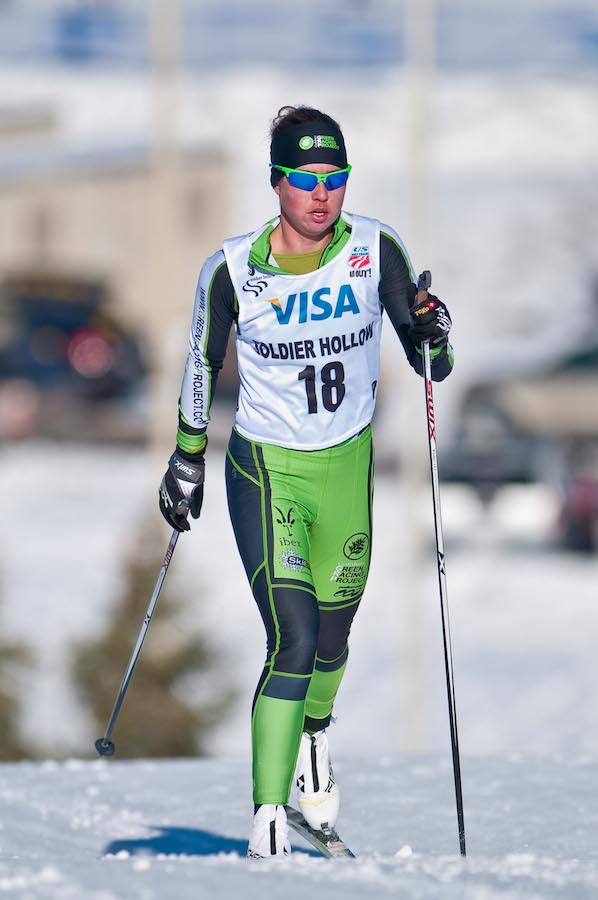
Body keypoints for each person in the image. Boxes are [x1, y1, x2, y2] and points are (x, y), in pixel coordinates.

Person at [159, 105, 454, 858]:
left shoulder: (375, 247)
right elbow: (200, 361)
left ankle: (315, 738)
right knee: (290, 638)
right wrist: (187, 455)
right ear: (276, 182)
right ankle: (266, 815)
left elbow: (430, 365)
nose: (322, 195)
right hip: (267, 471)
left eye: (335, 179)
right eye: (305, 179)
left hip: (346, 471)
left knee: (331, 642)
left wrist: (434, 332)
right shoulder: (232, 269)